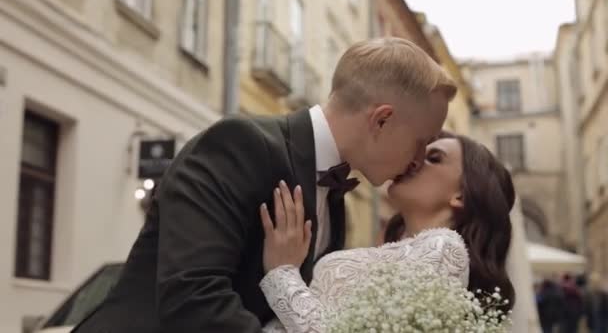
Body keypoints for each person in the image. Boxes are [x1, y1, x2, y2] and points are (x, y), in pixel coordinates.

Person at [71, 37, 455, 332]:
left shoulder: (334, 198)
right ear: (382, 120)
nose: (418, 160)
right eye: (421, 142)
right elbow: (193, 297)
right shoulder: (239, 144)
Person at [258, 133, 516, 332]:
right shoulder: (413, 250)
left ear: (461, 195)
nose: (414, 162)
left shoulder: (444, 246)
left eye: (434, 158)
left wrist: (282, 273)